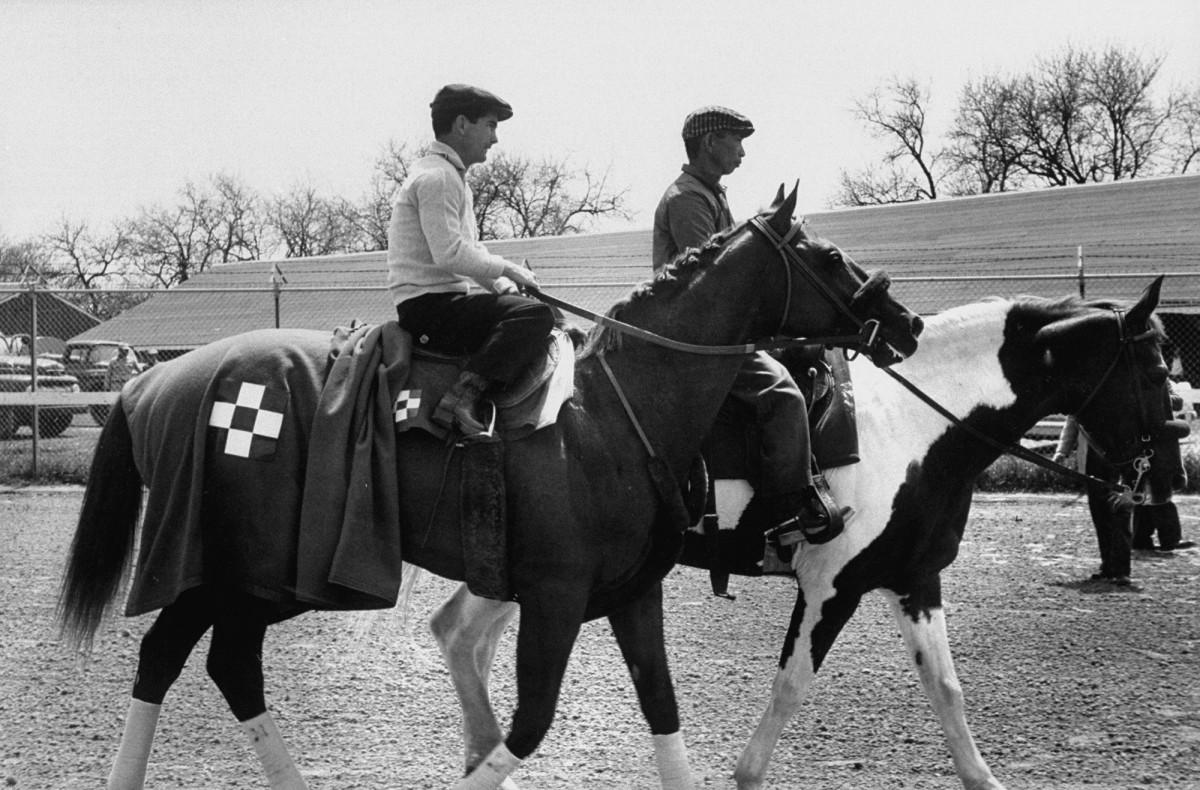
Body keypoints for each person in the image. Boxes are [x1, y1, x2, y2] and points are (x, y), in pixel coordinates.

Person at [652, 106, 842, 546]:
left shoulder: (709, 194)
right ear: (709, 142)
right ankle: (784, 512)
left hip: (716, 333)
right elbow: (713, 284)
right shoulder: (687, 199)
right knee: (783, 397)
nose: (742, 151)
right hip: (696, 341)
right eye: (735, 140)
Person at [388, 84, 554, 439]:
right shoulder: (438, 178)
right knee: (536, 316)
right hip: (429, 310)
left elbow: (468, 257)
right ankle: (460, 400)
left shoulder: (450, 177)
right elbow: (449, 254)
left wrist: (506, 286)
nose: (494, 138)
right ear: (462, 124)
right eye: (490, 125)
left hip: (439, 304)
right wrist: (510, 269)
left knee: (526, 308)